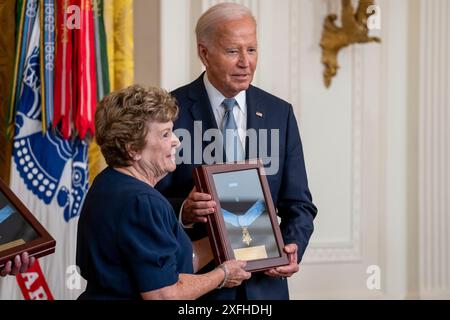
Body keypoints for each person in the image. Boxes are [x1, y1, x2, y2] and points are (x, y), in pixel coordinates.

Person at [156, 2, 317, 300]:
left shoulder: (279, 113)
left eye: (252, 50)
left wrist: (293, 246)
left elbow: (299, 204)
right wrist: (184, 211)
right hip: (199, 287)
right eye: (233, 51)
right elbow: (147, 201)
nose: (246, 62)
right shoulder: (169, 111)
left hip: (265, 288)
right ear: (204, 53)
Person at [75, 85, 250, 300]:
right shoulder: (143, 202)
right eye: (166, 134)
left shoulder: (107, 182)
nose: (176, 140)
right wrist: (222, 275)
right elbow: (163, 294)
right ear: (133, 149)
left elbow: (173, 264)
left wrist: (228, 238)